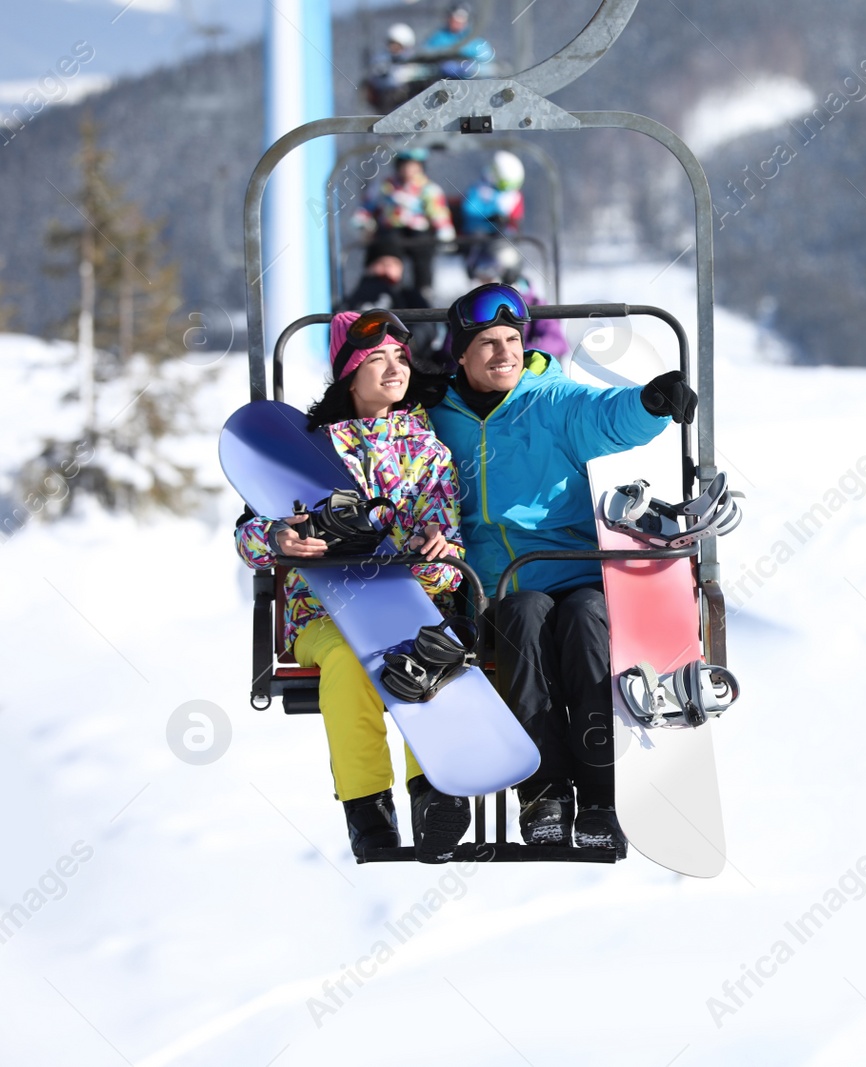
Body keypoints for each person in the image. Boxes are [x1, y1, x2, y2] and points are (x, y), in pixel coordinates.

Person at [427, 284, 698, 850]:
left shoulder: (547, 400)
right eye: (487, 344)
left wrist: (650, 402)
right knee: (523, 618)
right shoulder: (436, 418)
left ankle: (601, 797)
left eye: (511, 340)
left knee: (585, 622)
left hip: (574, 571)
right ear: (460, 354)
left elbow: (604, 414)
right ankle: (545, 792)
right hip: (496, 585)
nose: (504, 353)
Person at [234, 310, 473, 864]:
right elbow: (247, 542)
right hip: (323, 614)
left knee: (418, 655)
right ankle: (368, 812)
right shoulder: (303, 449)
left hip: (405, 607)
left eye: (401, 358)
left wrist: (437, 551)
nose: (394, 368)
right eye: (376, 358)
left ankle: (432, 795)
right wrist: (278, 538)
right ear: (349, 373)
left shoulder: (428, 452)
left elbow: (449, 559)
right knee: (345, 659)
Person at [353, 148, 456, 302]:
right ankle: (386, 283)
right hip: (391, 228)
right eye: (405, 166)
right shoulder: (386, 187)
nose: (409, 171)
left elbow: (438, 211)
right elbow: (369, 204)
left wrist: (444, 229)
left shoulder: (428, 189)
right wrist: (362, 219)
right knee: (388, 246)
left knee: (422, 249)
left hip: (418, 230)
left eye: (414, 167)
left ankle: (423, 288)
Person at [337, 236, 447, 371]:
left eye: (393, 264)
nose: (387, 269)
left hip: (410, 359)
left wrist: (407, 343)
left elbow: (428, 327)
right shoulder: (357, 298)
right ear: (369, 267)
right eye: (381, 263)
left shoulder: (410, 296)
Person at [464, 237, 568, 359]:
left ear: (507, 274)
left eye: (487, 274)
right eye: (479, 275)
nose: (481, 281)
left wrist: (519, 353)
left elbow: (556, 341)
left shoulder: (532, 304)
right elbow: (450, 349)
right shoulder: (470, 308)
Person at [420, 5, 494, 79]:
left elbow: (487, 59)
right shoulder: (438, 37)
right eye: (455, 18)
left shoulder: (474, 39)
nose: (457, 22)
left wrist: (472, 68)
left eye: (462, 18)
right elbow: (426, 55)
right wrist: (441, 65)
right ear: (449, 18)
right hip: (442, 80)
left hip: (472, 82)